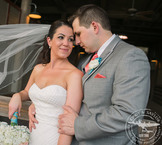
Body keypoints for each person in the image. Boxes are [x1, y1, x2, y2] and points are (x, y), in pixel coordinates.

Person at [29, 4, 150, 145]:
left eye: (78, 34)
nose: (77, 42)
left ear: (94, 26)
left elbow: (127, 114)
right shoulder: (85, 59)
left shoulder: (130, 56)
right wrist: (38, 103)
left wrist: (78, 125)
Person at [8, 20, 83, 145]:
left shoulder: (74, 75)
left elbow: (67, 124)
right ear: (49, 41)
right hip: (33, 134)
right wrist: (17, 96)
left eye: (70, 39)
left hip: (55, 138)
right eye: (61, 37)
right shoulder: (38, 69)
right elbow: (26, 92)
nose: (66, 43)